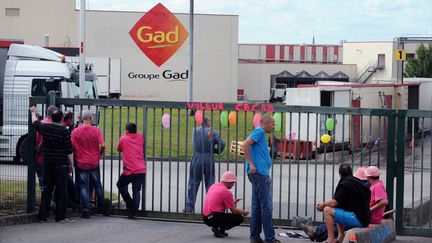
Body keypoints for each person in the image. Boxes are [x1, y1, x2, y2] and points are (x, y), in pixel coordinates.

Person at [30, 106, 75, 223]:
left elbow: (34, 122)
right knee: (61, 191)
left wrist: (33, 112)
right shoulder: (64, 131)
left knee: (46, 190)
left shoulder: (46, 127)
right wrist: (71, 164)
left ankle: (42, 216)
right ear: (61, 119)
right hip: (60, 165)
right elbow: (69, 150)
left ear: (52, 118)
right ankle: (60, 216)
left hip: (48, 164)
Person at [303, 167, 370, 242]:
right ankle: (340, 237)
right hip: (364, 218)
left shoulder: (347, 184)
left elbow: (335, 202)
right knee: (338, 209)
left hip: (358, 219)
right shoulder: (360, 184)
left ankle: (330, 239)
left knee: (327, 210)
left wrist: (323, 205)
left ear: (340, 174)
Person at [243, 115, 280, 243]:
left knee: (257, 206)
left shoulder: (261, 134)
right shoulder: (259, 131)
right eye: (273, 124)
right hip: (260, 174)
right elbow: (245, 145)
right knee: (266, 207)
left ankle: (255, 237)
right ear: (267, 123)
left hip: (259, 174)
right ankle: (270, 238)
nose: (274, 127)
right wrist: (251, 164)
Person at [71, 110, 108, 218]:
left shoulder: (75, 131)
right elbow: (103, 145)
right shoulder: (96, 130)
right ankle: (102, 207)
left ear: (83, 119)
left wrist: (77, 154)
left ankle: (86, 209)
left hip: (82, 161)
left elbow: (72, 146)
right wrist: (99, 154)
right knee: (98, 184)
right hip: (94, 161)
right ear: (90, 118)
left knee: (83, 186)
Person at [184, 116, 226, 213]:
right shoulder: (211, 132)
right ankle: (211, 207)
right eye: (210, 120)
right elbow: (222, 144)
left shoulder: (194, 131)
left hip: (197, 157)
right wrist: (216, 151)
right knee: (210, 184)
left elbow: (193, 144)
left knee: (193, 183)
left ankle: (189, 208)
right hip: (208, 158)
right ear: (207, 122)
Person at [203, 171, 250, 238]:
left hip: (205, 217)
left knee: (220, 214)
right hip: (214, 217)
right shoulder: (226, 192)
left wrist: (232, 201)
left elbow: (217, 201)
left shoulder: (214, 186)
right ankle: (218, 229)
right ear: (228, 182)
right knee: (239, 218)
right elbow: (234, 211)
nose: (233, 185)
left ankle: (218, 228)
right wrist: (244, 212)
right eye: (233, 183)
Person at [116, 122, 146, 220]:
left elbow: (119, 149)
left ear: (127, 131)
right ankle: (134, 212)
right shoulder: (140, 137)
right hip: (141, 169)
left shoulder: (123, 138)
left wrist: (125, 135)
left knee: (120, 185)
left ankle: (130, 204)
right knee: (136, 191)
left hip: (129, 170)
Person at [35, 105, 56, 190]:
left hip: (41, 158)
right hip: (51, 158)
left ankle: (45, 199)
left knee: (43, 182)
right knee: (52, 182)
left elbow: (39, 142)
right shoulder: (54, 125)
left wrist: (36, 155)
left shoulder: (41, 123)